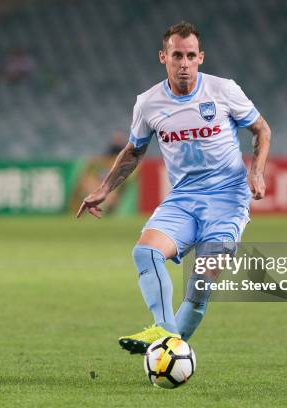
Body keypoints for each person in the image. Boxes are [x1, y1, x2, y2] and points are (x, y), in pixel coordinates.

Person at [76, 21, 271, 354]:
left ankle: (166, 344)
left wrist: (257, 171)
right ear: (163, 57)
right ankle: (166, 335)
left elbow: (262, 130)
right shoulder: (148, 103)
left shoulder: (224, 91)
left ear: (201, 57)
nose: (184, 63)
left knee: (199, 286)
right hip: (183, 200)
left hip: (227, 201)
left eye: (190, 55)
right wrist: (104, 188)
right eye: (177, 55)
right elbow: (134, 150)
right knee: (145, 252)